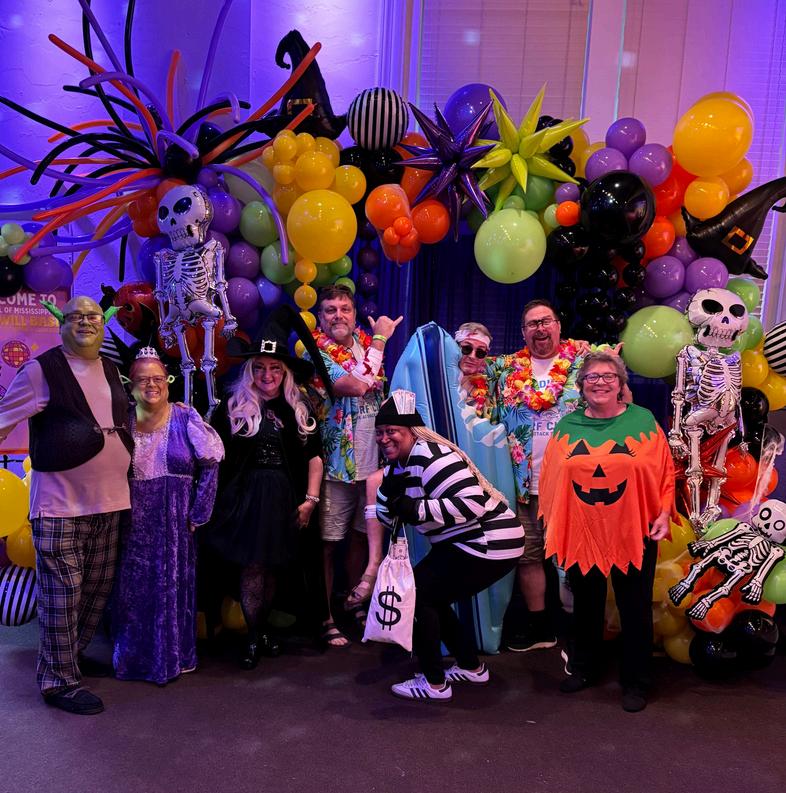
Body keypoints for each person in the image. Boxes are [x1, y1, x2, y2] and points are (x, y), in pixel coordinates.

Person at [0, 296, 133, 715]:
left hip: (110, 501)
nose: (85, 323)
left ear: (103, 323)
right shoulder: (39, 371)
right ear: (60, 324)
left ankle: (70, 656)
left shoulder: (110, 368)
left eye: (92, 316)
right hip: (59, 505)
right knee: (63, 595)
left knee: (95, 589)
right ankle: (57, 680)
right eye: (75, 317)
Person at [538, 352, 674, 712]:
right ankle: (584, 668)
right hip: (584, 529)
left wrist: (664, 512)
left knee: (634, 606)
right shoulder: (567, 427)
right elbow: (550, 474)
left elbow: (664, 471)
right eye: (592, 377)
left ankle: (637, 681)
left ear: (620, 384)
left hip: (634, 528)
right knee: (586, 606)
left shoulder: (642, 420)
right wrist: (555, 519)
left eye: (608, 376)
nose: (600, 382)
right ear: (581, 386)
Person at [375, 390, 525, 702]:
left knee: (418, 595)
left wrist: (416, 508)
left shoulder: (432, 457)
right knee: (432, 597)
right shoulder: (396, 467)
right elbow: (386, 516)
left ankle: (434, 684)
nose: (384, 438)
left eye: (392, 431)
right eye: (380, 432)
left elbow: (473, 503)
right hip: (467, 542)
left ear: (410, 431)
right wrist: (390, 498)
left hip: (488, 540)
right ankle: (471, 667)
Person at [205, 308, 326, 669]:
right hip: (246, 499)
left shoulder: (298, 407)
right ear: (250, 370)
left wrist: (310, 500)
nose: (267, 375)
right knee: (253, 567)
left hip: (284, 499)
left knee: (273, 567)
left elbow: (315, 457)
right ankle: (254, 635)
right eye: (259, 368)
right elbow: (215, 459)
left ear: (285, 372)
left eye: (274, 368)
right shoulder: (233, 407)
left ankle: (260, 630)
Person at [112, 348, 224, 684]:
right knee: (133, 592)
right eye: (143, 379)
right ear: (130, 385)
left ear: (168, 381)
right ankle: (134, 659)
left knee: (171, 589)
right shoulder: (122, 420)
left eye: (158, 378)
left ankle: (172, 658)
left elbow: (211, 464)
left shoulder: (185, 416)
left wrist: (199, 512)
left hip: (175, 521)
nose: (151, 385)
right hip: (132, 521)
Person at [486, 299, 585, 652]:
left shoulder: (583, 363)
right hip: (522, 483)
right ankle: (541, 628)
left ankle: (582, 631)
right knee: (528, 556)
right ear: (523, 332)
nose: (540, 328)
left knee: (575, 558)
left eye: (546, 321)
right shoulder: (504, 368)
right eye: (532, 324)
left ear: (558, 326)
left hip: (572, 483)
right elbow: (467, 367)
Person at [307, 284, 402, 645]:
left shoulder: (364, 345)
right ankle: (325, 615)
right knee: (329, 543)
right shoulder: (317, 351)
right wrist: (381, 339)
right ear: (320, 318)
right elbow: (355, 385)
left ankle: (355, 604)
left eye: (344, 309)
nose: (338, 316)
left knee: (363, 538)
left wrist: (373, 342)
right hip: (336, 466)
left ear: (353, 313)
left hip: (373, 462)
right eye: (330, 310)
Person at [454, 322, 493, 413]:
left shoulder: (490, 388)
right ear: (455, 348)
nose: (472, 356)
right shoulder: (438, 375)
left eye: (480, 352)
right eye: (467, 349)